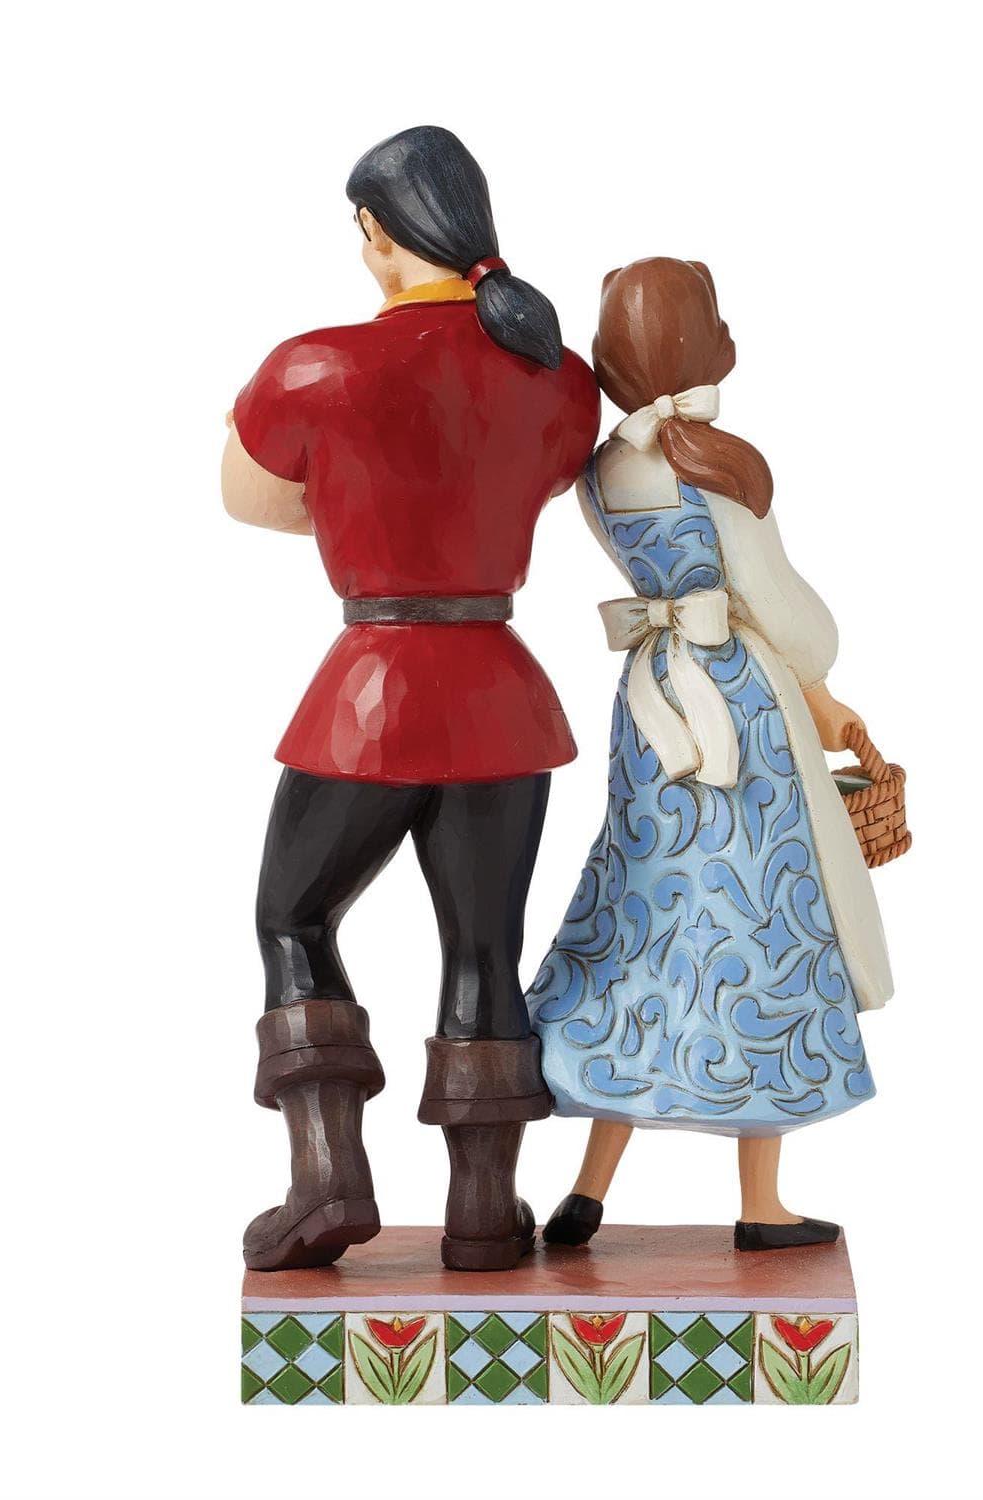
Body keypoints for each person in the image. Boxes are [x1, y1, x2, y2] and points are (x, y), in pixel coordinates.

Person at [223, 126, 599, 1272]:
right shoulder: (557, 375)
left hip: (372, 695)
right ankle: (484, 1212)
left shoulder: (314, 367)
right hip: (499, 695)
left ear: (381, 237)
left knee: (293, 918)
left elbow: (251, 497)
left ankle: (326, 1175)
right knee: (484, 947)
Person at [526, 258, 893, 1251]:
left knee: (642, 909)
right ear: (707, 344)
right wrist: (820, 683)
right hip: (736, 706)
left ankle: (588, 1189)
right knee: (757, 923)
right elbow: (780, 608)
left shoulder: (600, 475)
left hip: (651, 705)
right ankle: (761, 1205)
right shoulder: (722, 468)